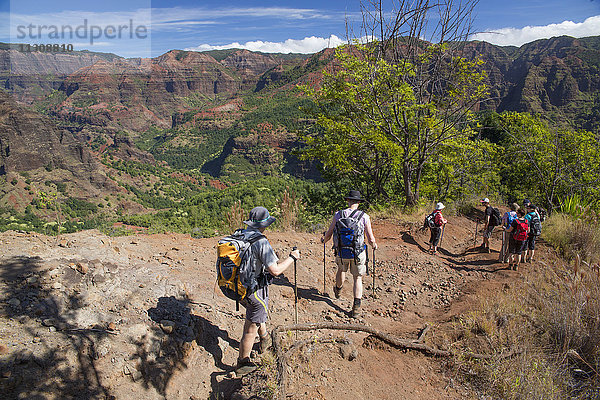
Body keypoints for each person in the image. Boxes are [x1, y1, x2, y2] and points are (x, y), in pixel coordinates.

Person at [234, 206, 301, 377]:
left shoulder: (238, 234)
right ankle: (242, 362)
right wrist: (292, 258)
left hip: (235, 286)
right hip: (252, 289)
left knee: (257, 313)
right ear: (264, 224)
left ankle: (264, 338)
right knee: (250, 327)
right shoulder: (260, 241)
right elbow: (276, 270)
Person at [322, 190, 377, 318]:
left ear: (348, 201)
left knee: (341, 270)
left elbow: (329, 233)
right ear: (358, 202)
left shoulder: (338, 215)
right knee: (357, 278)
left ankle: (338, 290)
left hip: (342, 251)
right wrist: (374, 245)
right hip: (358, 252)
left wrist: (323, 240)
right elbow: (370, 238)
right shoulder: (364, 216)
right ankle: (356, 308)